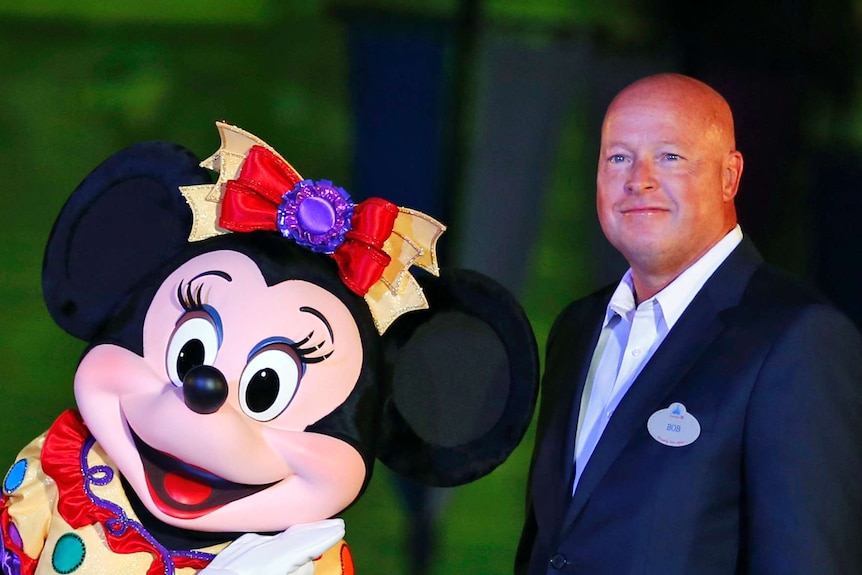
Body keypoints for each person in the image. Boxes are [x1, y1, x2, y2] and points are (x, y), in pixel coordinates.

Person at [516, 73, 862, 574]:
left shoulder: (798, 339)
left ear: (729, 176)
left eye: (670, 157)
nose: (640, 179)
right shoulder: (577, 327)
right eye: (618, 157)